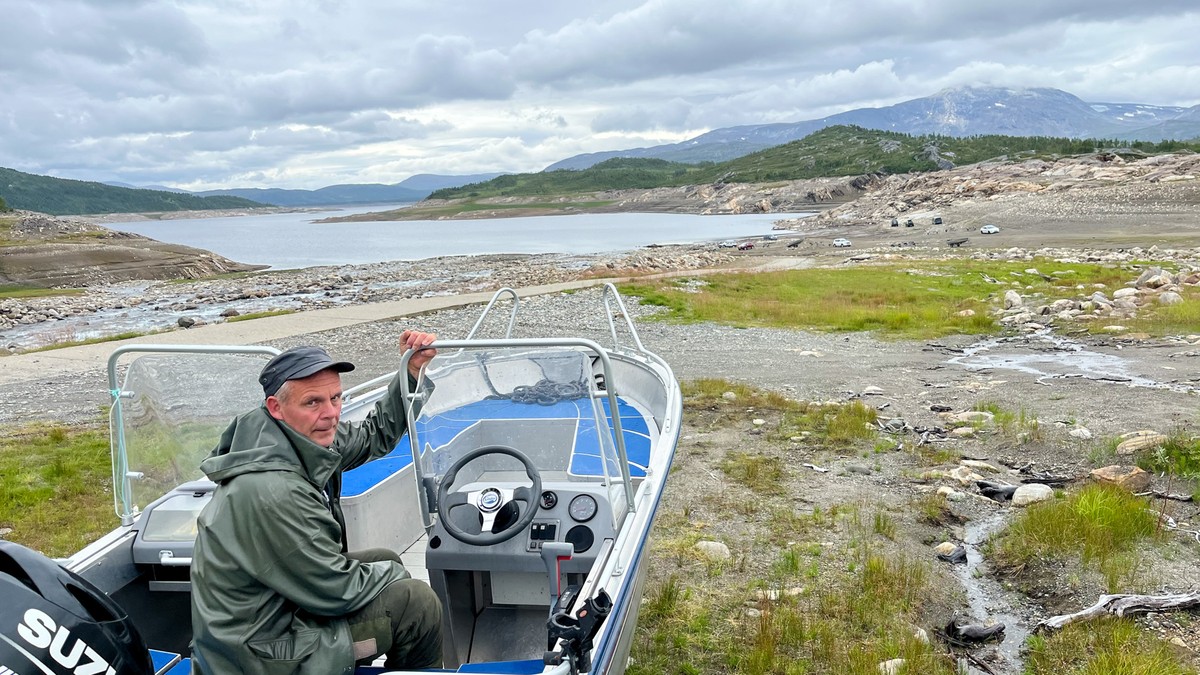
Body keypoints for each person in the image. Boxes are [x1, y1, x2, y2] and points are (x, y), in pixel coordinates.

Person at [190, 330, 442, 675]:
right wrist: (397, 576)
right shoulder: (273, 490)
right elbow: (337, 591)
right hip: (259, 653)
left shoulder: (296, 437)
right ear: (276, 407)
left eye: (336, 398)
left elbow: (374, 435)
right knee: (417, 602)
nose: (331, 414)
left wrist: (410, 373)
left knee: (382, 560)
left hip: (281, 608)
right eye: (313, 402)